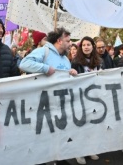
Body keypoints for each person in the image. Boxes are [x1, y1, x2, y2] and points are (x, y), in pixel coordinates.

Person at [20, 27, 77, 165]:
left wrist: (71, 73)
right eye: (68, 41)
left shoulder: (66, 59)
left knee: (59, 136)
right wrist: (45, 68)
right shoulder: (43, 51)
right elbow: (24, 64)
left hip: (61, 105)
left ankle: (58, 157)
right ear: (59, 40)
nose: (70, 44)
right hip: (44, 105)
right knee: (44, 137)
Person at [71, 36, 101, 164]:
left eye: (88, 44)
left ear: (93, 46)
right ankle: (79, 152)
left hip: (95, 97)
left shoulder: (98, 61)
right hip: (80, 97)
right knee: (81, 125)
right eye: (83, 45)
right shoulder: (76, 62)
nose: (86, 47)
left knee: (92, 125)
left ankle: (90, 149)